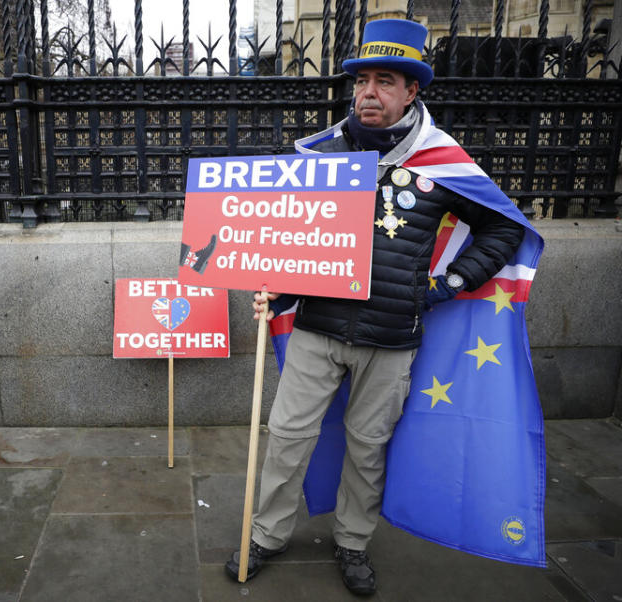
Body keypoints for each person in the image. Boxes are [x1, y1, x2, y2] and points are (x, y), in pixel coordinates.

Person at [223, 19, 526, 596]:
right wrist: (277, 291)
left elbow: (502, 228)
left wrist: (448, 283)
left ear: (412, 92)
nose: (368, 93)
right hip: (317, 327)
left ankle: (353, 542)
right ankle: (265, 534)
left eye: (385, 82)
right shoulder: (320, 156)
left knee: (368, 449)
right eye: (362, 81)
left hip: (392, 338)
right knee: (287, 436)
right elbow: (292, 243)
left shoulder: (442, 162)